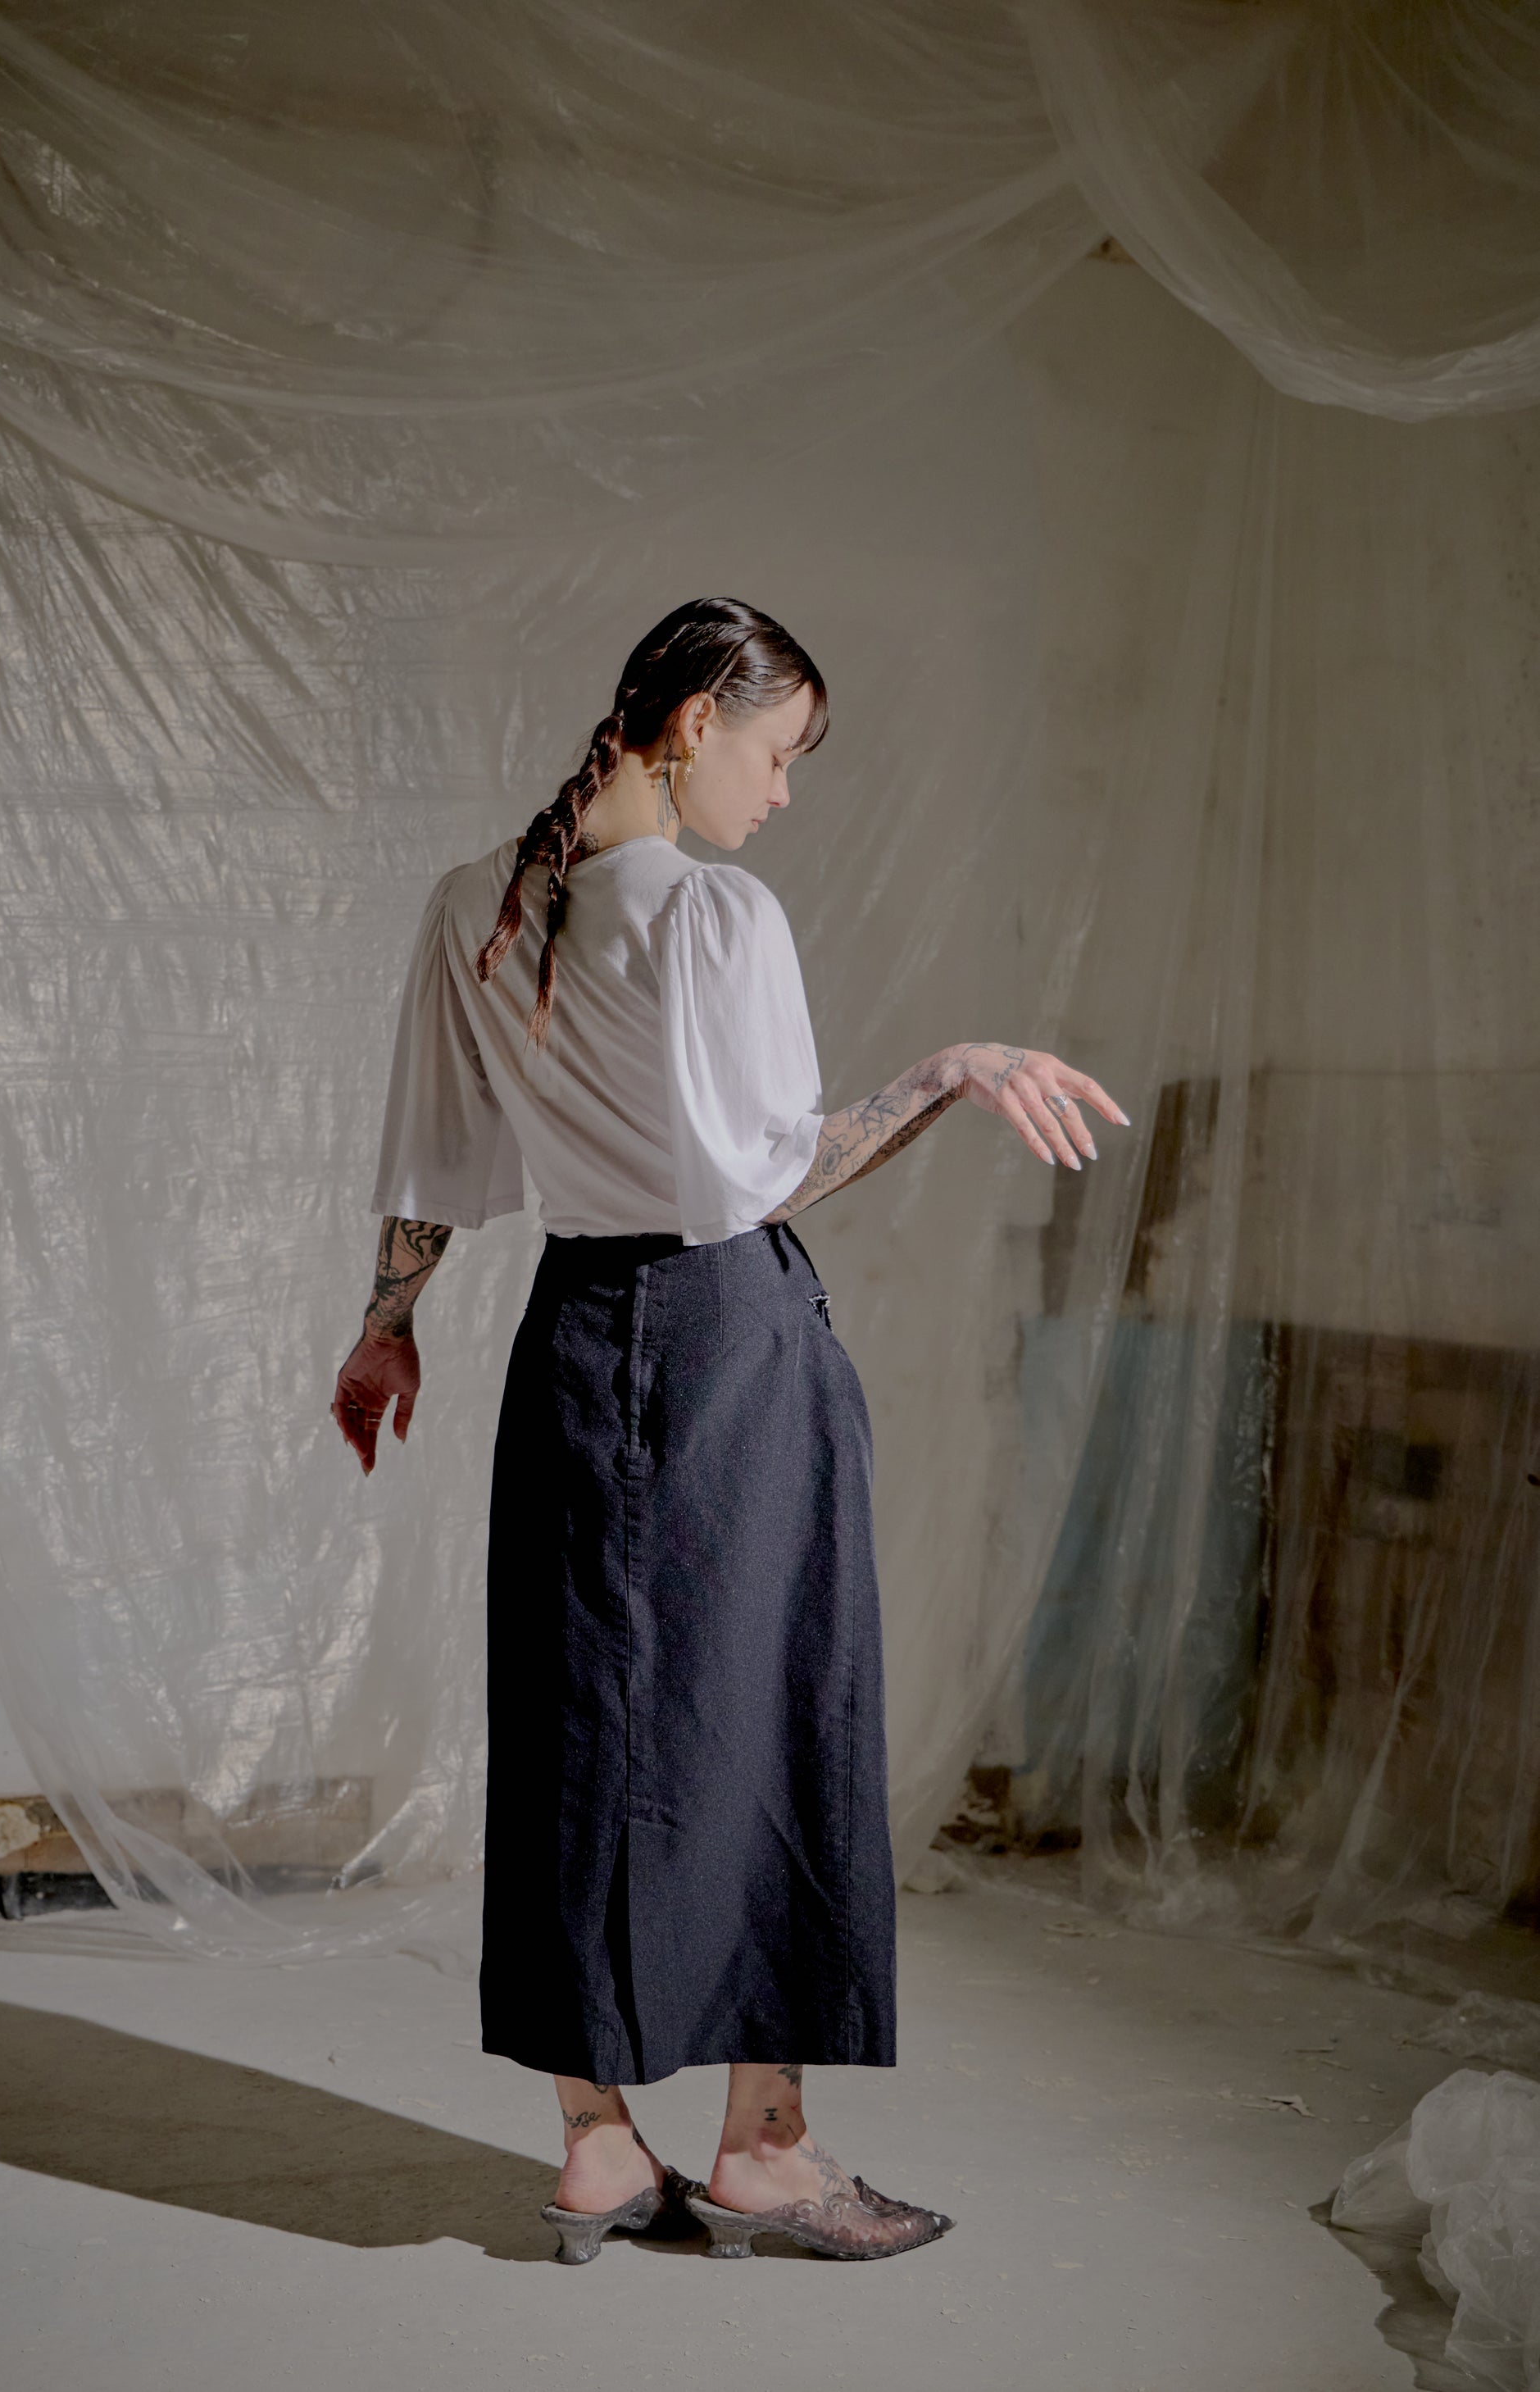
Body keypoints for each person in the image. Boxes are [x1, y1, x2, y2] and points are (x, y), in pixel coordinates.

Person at [330, 597, 1127, 2262]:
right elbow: (768, 1173)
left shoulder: (472, 902)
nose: (781, 793)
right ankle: (765, 2146)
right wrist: (950, 1071)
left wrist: (384, 1328)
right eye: (778, 752)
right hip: (726, 1341)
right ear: (693, 719)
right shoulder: (714, 913)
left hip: (572, 1337)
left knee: (574, 1734)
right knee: (774, 1722)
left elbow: (431, 1166)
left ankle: (597, 2145)